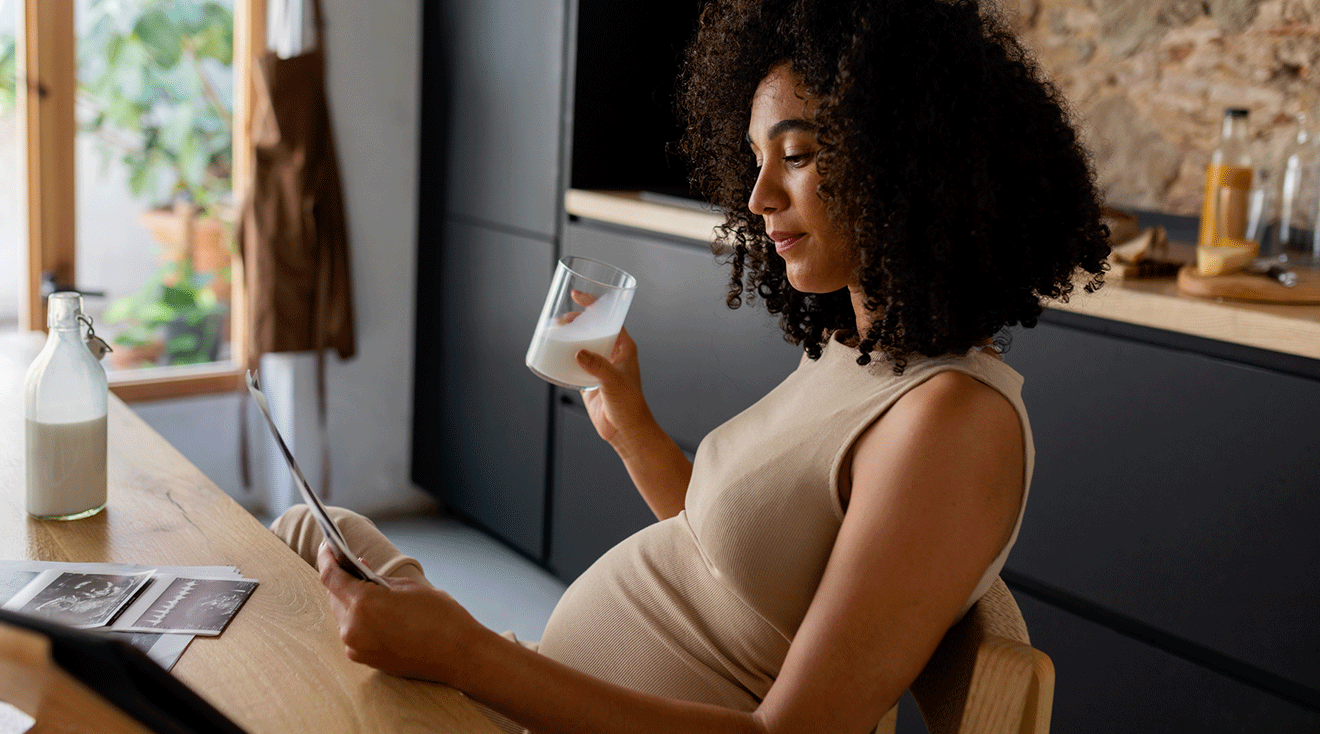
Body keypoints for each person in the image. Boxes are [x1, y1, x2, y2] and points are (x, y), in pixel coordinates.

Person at [272, 0, 1109, 731]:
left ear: (912, 159)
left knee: (275, 632)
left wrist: (467, 656)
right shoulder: (861, 354)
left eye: (799, 153)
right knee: (314, 530)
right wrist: (632, 428)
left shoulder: (953, 423)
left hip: (519, 701)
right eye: (754, 158)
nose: (757, 199)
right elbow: (736, 565)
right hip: (520, 688)